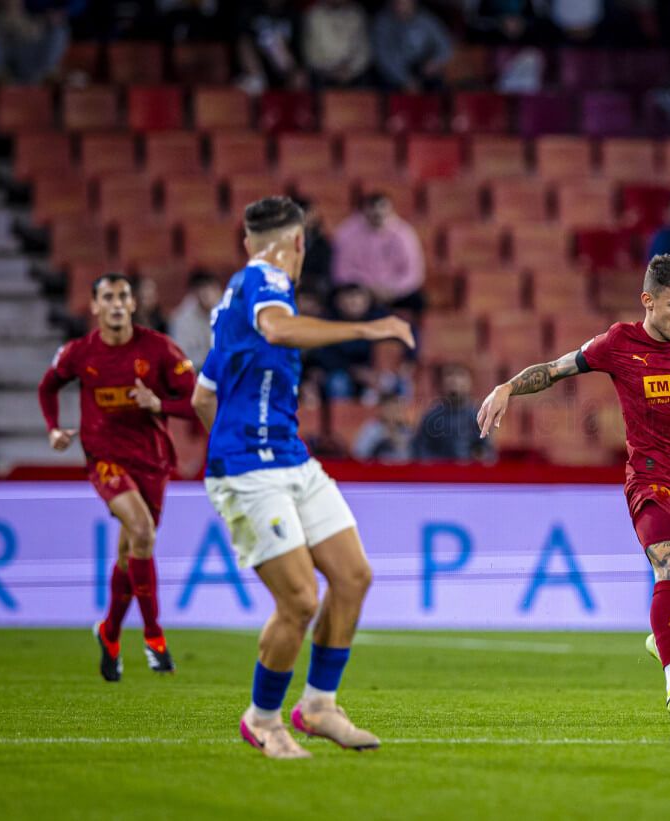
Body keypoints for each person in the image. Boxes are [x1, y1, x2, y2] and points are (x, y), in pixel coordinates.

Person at [476, 254, 670, 717]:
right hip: (652, 482)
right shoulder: (618, 343)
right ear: (647, 301)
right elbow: (557, 368)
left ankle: (665, 637)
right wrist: (507, 386)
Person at [190, 197, 415, 759]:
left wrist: (240, 438)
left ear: (248, 240)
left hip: (290, 459)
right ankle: (263, 719)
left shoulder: (234, 302)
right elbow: (280, 331)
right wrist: (368, 326)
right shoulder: (262, 284)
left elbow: (202, 395)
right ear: (298, 244)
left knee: (353, 576)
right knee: (297, 599)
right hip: (250, 470)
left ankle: (318, 706)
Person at [38, 273, 198, 682]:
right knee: (142, 530)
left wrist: (159, 403)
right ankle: (153, 635)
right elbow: (48, 387)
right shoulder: (79, 353)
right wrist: (54, 428)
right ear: (94, 306)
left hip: (152, 461)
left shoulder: (159, 349)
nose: (116, 303)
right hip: (105, 458)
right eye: (107, 297)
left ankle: (109, 632)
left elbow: (196, 401)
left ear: (133, 304)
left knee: (131, 552)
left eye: (123, 296)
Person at [332, 192, 427, 315]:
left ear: (391, 211)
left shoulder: (405, 234)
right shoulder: (347, 232)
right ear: (364, 211)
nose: (377, 214)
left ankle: (410, 333)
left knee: (419, 301)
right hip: (360, 290)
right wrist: (366, 288)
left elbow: (414, 272)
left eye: (382, 210)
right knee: (340, 299)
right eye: (373, 210)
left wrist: (393, 289)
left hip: (394, 291)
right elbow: (341, 270)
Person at [413, 365, 492, 462]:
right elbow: (420, 452)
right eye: (449, 375)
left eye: (460, 375)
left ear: (470, 382)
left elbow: (488, 453)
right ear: (441, 382)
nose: (454, 380)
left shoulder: (479, 417)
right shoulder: (431, 417)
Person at [371, 0, 453, 92]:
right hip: (393, 76)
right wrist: (405, 79)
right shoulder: (382, 22)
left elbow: (445, 46)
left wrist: (435, 62)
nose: (399, 4)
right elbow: (383, 58)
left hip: (421, 71)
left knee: (438, 84)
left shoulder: (426, 19)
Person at [302, 0, 372, 87]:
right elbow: (310, 54)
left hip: (354, 75)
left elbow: (364, 50)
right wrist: (332, 70)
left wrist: (351, 69)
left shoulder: (357, 13)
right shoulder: (314, 15)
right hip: (323, 75)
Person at [169, 271, 223, 369]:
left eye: (214, 290)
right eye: (205, 293)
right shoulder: (182, 320)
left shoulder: (226, 310)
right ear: (195, 294)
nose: (210, 296)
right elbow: (181, 361)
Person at [352, 392, 413, 463]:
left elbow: (411, 458)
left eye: (397, 410)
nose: (394, 413)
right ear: (382, 410)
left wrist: (397, 441)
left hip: (400, 471)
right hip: (376, 470)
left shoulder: (406, 431)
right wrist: (380, 438)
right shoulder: (371, 428)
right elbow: (358, 454)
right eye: (390, 409)